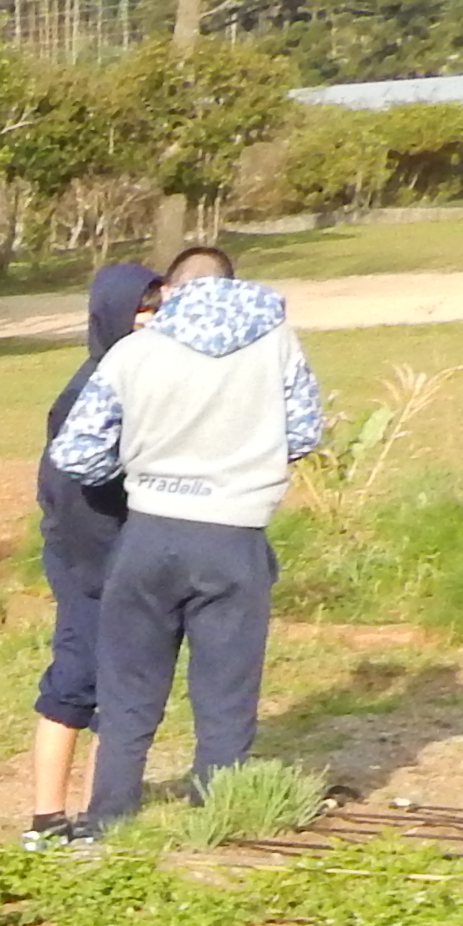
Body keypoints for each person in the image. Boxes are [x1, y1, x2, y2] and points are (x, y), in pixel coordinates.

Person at [44, 255, 322, 843]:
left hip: (149, 531)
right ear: (234, 280)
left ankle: (108, 821)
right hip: (234, 533)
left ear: (171, 289)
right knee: (225, 694)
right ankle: (217, 826)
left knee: (127, 694)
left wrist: (138, 469)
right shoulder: (278, 343)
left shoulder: (133, 352)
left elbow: (76, 453)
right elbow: (303, 432)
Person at [26, 260, 162, 845]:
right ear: (112, 315)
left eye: (160, 310)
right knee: (74, 682)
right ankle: (47, 818)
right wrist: (99, 576)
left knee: (124, 690)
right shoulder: (85, 392)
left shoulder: (152, 382)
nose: (152, 322)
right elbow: (70, 500)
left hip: (133, 561)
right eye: (142, 311)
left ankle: (101, 815)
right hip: (89, 563)